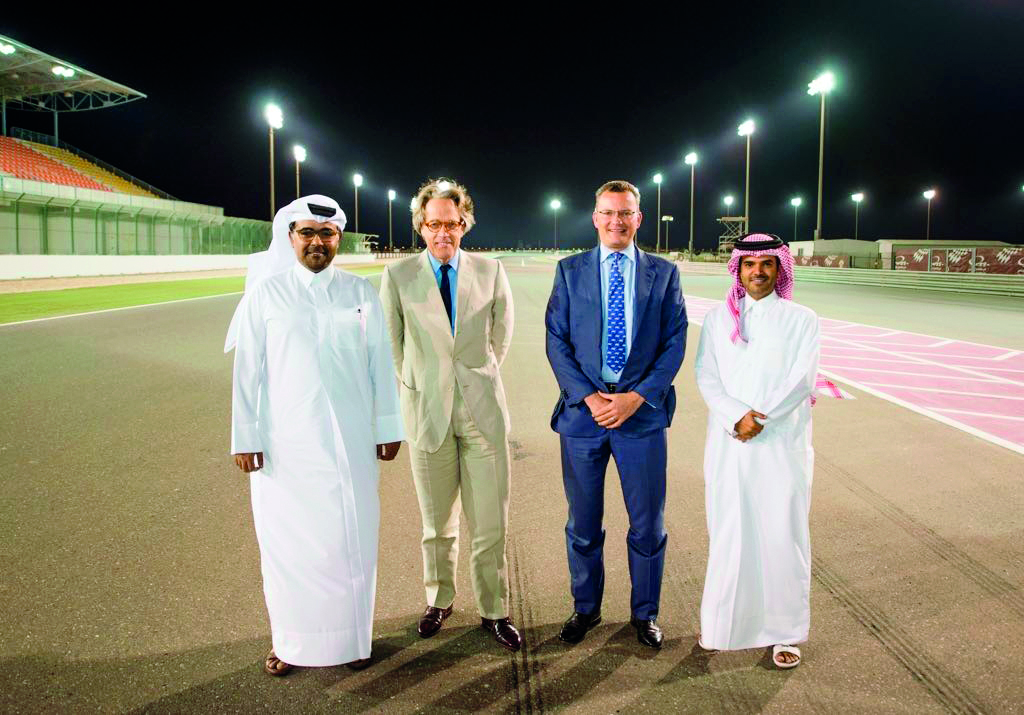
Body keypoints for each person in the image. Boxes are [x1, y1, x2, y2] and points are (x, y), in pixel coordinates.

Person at [226, 194, 403, 676]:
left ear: (338, 238)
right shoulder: (266, 294)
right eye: (307, 233)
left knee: (352, 542)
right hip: (286, 447)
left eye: (327, 234)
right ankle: (289, 643)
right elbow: (247, 373)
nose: (317, 242)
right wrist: (246, 437)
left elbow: (379, 366)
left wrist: (388, 427)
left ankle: (352, 641)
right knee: (288, 548)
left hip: (350, 443)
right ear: (291, 238)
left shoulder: (360, 292)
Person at [379, 178, 521, 651]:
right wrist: (420, 384)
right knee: (436, 524)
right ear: (421, 226)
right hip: (428, 414)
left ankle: (494, 609)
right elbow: (394, 347)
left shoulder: (490, 270)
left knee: (490, 522)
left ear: (465, 224)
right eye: (434, 223)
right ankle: (439, 600)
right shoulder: (398, 277)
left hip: (483, 412)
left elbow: (501, 336)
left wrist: (479, 374)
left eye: (452, 223)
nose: (444, 232)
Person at [545, 180, 687, 649]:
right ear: (594, 216)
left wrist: (636, 397)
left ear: (638, 218)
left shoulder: (664, 274)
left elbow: (674, 343)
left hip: (640, 416)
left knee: (648, 523)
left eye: (625, 213)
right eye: (607, 212)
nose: (616, 221)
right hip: (584, 417)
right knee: (583, 524)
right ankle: (585, 608)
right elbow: (556, 339)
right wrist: (588, 397)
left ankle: (644, 613)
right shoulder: (569, 272)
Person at [694, 232, 821, 669]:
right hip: (730, 445)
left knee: (782, 535)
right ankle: (721, 626)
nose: (758, 272)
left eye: (767, 264)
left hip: (780, 445)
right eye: (749, 264)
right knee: (730, 532)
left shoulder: (803, 319)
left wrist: (759, 418)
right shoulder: (717, 320)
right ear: (738, 270)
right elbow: (706, 377)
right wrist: (735, 417)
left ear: (780, 268)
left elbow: (801, 381)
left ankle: (785, 633)